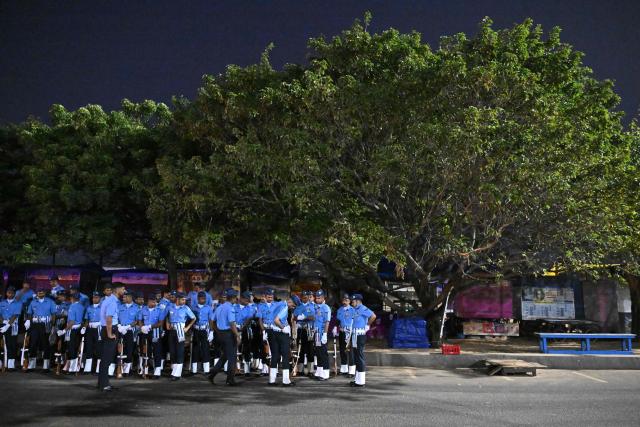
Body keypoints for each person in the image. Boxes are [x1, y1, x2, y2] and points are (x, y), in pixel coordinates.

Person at [209, 288, 240, 386]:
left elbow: (212, 320)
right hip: (229, 334)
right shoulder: (230, 308)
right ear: (233, 298)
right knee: (232, 358)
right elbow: (231, 323)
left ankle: (212, 374)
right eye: (236, 297)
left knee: (225, 356)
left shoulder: (219, 307)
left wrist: (217, 331)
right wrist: (237, 335)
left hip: (221, 334)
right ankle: (230, 379)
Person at [98, 282, 125, 392]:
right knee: (107, 358)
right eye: (123, 289)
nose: (124, 291)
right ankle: (104, 384)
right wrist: (109, 333)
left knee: (105, 358)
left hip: (106, 328)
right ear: (117, 290)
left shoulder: (108, 300)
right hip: (109, 329)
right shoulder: (113, 301)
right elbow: (109, 318)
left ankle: (102, 383)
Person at [165, 292, 196, 381]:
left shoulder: (186, 308)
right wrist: (167, 324)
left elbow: (194, 318)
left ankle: (177, 374)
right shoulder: (170, 307)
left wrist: (187, 327)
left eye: (185, 300)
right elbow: (166, 316)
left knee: (180, 351)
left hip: (180, 331)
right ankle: (174, 371)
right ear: (177, 299)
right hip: (172, 331)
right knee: (172, 351)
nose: (184, 301)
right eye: (182, 299)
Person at [268, 295, 296, 386]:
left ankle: (272, 380)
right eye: (293, 305)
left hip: (272, 332)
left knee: (275, 355)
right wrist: (283, 328)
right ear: (290, 302)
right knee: (285, 355)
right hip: (280, 332)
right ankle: (285, 380)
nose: (293, 307)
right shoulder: (284, 307)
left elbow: (271, 316)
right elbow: (277, 320)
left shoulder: (278, 304)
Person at [349, 293, 376, 388]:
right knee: (356, 356)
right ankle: (357, 379)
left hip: (360, 334)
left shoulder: (362, 308)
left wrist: (367, 325)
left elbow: (373, 316)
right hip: (355, 334)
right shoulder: (355, 309)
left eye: (353, 301)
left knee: (359, 356)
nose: (352, 302)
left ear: (358, 301)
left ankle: (361, 381)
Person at [138, 294, 167, 379]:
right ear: (148, 302)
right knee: (145, 351)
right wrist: (142, 327)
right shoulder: (143, 309)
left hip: (155, 333)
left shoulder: (159, 310)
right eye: (153, 301)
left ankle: (157, 371)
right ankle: (144, 371)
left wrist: (150, 326)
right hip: (145, 332)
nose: (154, 303)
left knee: (157, 352)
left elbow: (161, 323)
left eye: (155, 301)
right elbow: (140, 320)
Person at [190, 291, 214, 375]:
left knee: (205, 349)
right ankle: (194, 369)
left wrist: (211, 331)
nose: (202, 300)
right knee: (195, 349)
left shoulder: (209, 308)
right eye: (201, 298)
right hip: (196, 330)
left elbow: (211, 320)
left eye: (204, 298)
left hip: (204, 330)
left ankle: (206, 369)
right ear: (198, 299)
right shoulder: (193, 308)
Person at [293, 290, 316, 376]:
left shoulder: (313, 306)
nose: (305, 298)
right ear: (301, 298)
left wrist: (303, 317)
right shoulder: (298, 307)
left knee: (310, 350)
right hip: (300, 330)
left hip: (309, 329)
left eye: (306, 297)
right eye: (303, 297)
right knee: (301, 349)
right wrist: (302, 318)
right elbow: (295, 318)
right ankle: (300, 370)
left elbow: (313, 317)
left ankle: (310, 371)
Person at [310, 290, 331, 381]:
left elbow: (327, 322)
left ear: (323, 298)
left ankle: (326, 373)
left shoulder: (326, 308)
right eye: (316, 298)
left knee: (323, 353)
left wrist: (325, 334)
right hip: (316, 333)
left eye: (319, 298)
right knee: (318, 352)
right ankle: (319, 371)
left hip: (322, 333)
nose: (317, 299)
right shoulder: (316, 307)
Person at [117, 291, 139, 377]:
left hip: (130, 330)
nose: (123, 299)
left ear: (130, 297)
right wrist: (119, 326)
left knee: (129, 350)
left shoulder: (136, 308)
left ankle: (126, 370)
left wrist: (127, 327)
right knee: (118, 349)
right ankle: (119, 368)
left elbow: (137, 321)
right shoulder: (120, 307)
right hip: (120, 329)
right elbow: (116, 317)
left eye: (125, 297)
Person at [0, 286, 22, 370]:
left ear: (14, 293)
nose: (10, 294)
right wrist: (3, 322)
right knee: (1, 344)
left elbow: (15, 315)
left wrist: (8, 325)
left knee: (11, 345)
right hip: (2, 324)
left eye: (12, 292)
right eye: (9, 292)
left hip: (12, 325)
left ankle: (10, 365)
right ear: (6, 293)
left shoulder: (18, 303)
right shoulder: (2, 303)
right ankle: (1, 363)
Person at [236, 291, 258, 376]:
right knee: (235, 350)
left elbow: (249, 318)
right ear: (241, 298)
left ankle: (246, 370)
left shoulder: (250, 308)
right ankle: (236, 369)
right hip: (235, 329)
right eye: (245, 298)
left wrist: (243, 327)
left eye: (248, 298)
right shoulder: (234, 307)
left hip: (245, 330)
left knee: (246, 349)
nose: (247, 300)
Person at [64, 292, 85, 373]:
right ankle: (74, 367)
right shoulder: (82, 307)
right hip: (79, 329)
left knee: (71, 348)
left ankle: (72, 369)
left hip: (72, 329)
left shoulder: (72, 306)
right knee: (76, 348)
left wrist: (63, 330)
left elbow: (72, 321)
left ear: (72, 298)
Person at [256, 288, 275, 376]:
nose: (270, 298)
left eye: (271, 297)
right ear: (265, 297)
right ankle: (264, 369)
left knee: (274, 349)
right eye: (268, 297)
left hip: (274, 329)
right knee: (264, 350)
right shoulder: (261, 306)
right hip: (265, 328)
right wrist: (263, 331)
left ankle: (274, 369)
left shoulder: (276, 305)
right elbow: (260, 319)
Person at [82, 292, 102, 374]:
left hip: (98, 328)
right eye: (94, 297)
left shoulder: (103, 308)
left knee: (98, 348)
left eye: (97, 297)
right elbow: (87, 319)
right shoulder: (89, 308)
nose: (95, 299)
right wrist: (84, 327)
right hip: (90, 328)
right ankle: (87, 368)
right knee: (89, 347)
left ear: (100, 298)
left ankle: (98, 369)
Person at [336, 293, 354, 376]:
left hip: (350, 332)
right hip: (342, 331)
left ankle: (351, 370)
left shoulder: (353, 310)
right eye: (343, 300)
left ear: (349, 301)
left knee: (350, 351)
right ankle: (344, 369)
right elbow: (338, 320)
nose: (344, 302)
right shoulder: (339, 310)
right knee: (342, 350)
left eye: (346, 300)